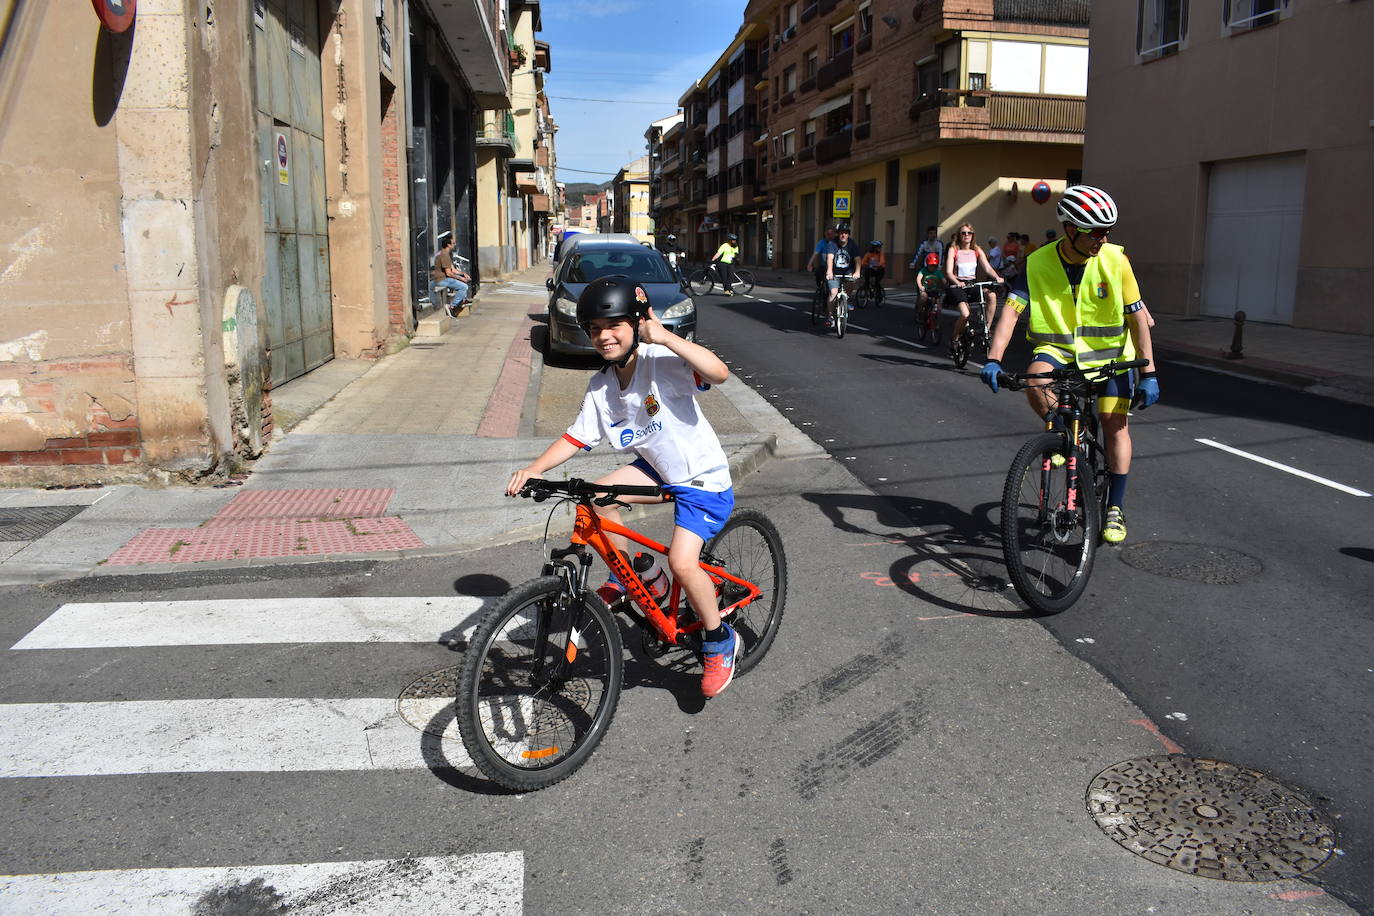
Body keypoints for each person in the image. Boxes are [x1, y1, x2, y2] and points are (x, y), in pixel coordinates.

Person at [506, 276, 741, 697]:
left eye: (613, 325)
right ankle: (641, 575)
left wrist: (666, 336)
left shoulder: (661, 360)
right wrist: (533, 468)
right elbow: (575, 437)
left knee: (685, 564)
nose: (603, 336)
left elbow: (719, 372)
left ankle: (719, 640)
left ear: (637, 323)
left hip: (701, 479)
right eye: (595, 329)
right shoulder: (601, 386)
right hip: (656, 469)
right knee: (593, 499)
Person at [980, 185, 1160, 545]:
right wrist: (994, 359)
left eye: (1107, 231)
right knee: (1034, 380)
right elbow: (1011, 312)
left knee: (1113, 424)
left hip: (1113, 356)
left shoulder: (1115, 260)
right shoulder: (1038, 262)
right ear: (1071, 229)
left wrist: (1149, 373)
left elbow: (1140, 319)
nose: (1103, 238)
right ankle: (1067, 435)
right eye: (1095, 231)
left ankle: (1115, 508)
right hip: (1060, 352)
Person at [945, 223, 1004, 353]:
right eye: (963, 233)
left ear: (973, 235)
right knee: (965, 314)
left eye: (969, 233)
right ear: (959, 235)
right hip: (957, 285)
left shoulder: (976, 250)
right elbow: (949, 272)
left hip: (972, 284)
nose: (966, 235)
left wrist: (997, 277)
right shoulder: (953, 249)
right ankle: (954, 338)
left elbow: (988, 268)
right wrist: (957, 281)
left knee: (991, 295)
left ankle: (987, 329)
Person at [824, 223, 860, 327]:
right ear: (837, 234)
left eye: (845, 233)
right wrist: (829, 271)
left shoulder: (852, 244)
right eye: (841, 233)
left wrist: (857, 272)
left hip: (848, 271)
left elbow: (857, 259)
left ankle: (846, 299)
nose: (843, 235)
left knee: (853, 281)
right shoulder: (832, 244)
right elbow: (830, 257)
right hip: (835, 272)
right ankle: (830, 316)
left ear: (848, 234)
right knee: (833, 293)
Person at [431, 234, 471, 317]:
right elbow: (449, 273)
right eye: (453, 243)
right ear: (448, 245)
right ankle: (451, 306)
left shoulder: (446, 254)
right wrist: (461, 279)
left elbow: (453, 270)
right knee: (464, 287)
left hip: (444, 278)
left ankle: (462, 300)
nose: (455, 245)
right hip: (440, 280)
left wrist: (463, 274)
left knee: (463, 284)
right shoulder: (444, 255)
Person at [807, 226, 836, 302]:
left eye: (831, 234)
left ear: (834, 234)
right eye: (828, 234)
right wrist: (810, 264)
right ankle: (821, 288)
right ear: (825, 234)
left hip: (835, 268)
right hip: (824, 266)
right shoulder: (821, 243)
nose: (829, 236)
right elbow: (815, 254)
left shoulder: (836, 243)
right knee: (818, 273)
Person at [916, 250, 945, 318]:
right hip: (925, 289)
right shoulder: (923, 270)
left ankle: (936, 322)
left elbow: (944, 280)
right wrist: (920, 286)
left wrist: (945, 285)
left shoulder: (937, 272)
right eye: (931, 266)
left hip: (933, 290)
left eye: (934, 266)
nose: (932, 268)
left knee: (938, 306)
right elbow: (918, 278)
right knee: (923, 298)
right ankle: (919, 311)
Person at [858, 240, 887, 304]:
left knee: (877, 282)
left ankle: (879, 295)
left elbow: (882, 262)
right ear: (873, 248)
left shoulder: (880, 254)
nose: (879, 249)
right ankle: (869, 291)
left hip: (880, 270)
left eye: (879, 247)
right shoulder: (869, 254)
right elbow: (863, 261)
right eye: (877, 247)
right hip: (872, 269)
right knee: (866, 278)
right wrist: (862, 266)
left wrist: (877, 265)